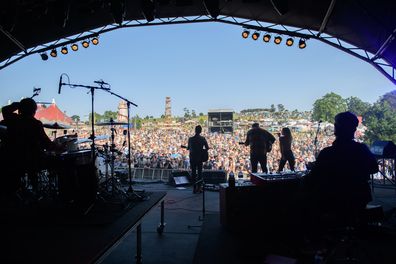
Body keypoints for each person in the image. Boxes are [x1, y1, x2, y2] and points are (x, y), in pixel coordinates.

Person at [302, 111, 379, 232]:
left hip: (334, 199)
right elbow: (374, 168)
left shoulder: (327, 152)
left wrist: (315, 168)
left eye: (336, 124)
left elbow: (314, 178)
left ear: (337, 128)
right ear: (354, 129)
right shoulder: (362, 149)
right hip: (359, 196)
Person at [1, 98, 59, 197]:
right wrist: (59, 147)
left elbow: (5, 110)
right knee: (55, 161)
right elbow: (47, 144)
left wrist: (17, 104)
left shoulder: (12, 119)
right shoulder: (35, 124)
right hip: (31, 161)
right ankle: (38, 189)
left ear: (20, 109)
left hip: (9, 160)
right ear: (34, 110)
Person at [185, 125, 209, 194]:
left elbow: (188, 148)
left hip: (192, 158)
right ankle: (199, 188)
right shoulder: (203, 139)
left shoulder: (190, 139)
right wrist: (201, 150)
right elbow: (207, 148)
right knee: (199, 173)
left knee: (193, 173)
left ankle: (194, 188)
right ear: (200, 131)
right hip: (200, 158)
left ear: (195, 130)